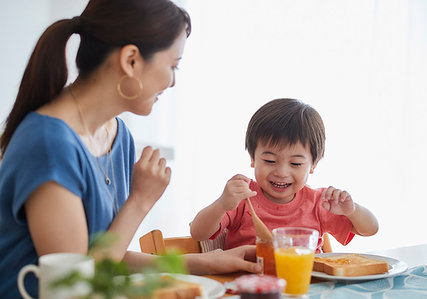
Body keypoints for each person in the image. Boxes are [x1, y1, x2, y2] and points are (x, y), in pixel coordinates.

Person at [0, 1, 259, 297]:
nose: (173, 81)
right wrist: (140, 200)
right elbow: (76, 286)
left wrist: (207, 261)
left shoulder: (118, 135)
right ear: (131, 60)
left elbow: (108, 255)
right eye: (173, 65)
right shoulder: (48, 144)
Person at [190, 98, 379, 251]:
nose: (281, 172)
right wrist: (222, 204)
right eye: (270, 161)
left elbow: (371, 229)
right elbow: (198, 233)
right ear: (253, 158)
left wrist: (352, 210)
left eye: (296, 163)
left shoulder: (319, 202)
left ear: (313, 164)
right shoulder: (242, 197)